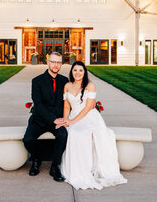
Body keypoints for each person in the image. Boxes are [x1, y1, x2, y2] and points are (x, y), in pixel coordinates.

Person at [56, 61, 127, 190]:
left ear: (85, 72)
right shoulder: (67, 86)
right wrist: (66, 120)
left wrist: (73, 122)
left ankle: (86, 170)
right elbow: (66, 106)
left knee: (81, 133)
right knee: (71, 132)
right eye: (75, 70)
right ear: (71, 72)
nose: (77, 73)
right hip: (73, 115)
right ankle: (75, 169)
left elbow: (88, 107)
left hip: (89, 117)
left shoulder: (90, 85)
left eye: (80, 70)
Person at [23, 52, 69, 182]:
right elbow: (38, 104)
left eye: (59, 62)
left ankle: (55, 166)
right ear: (48, 62)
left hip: (58, 121)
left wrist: (63, 119)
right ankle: (36, 159)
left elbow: (66, 102)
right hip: (39, 120)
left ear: (61, 64)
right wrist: (53, 119)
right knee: (28, 139)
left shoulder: (65, 81)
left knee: (63, 136)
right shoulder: (37, 81)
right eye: (53, 62)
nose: (56, 65)